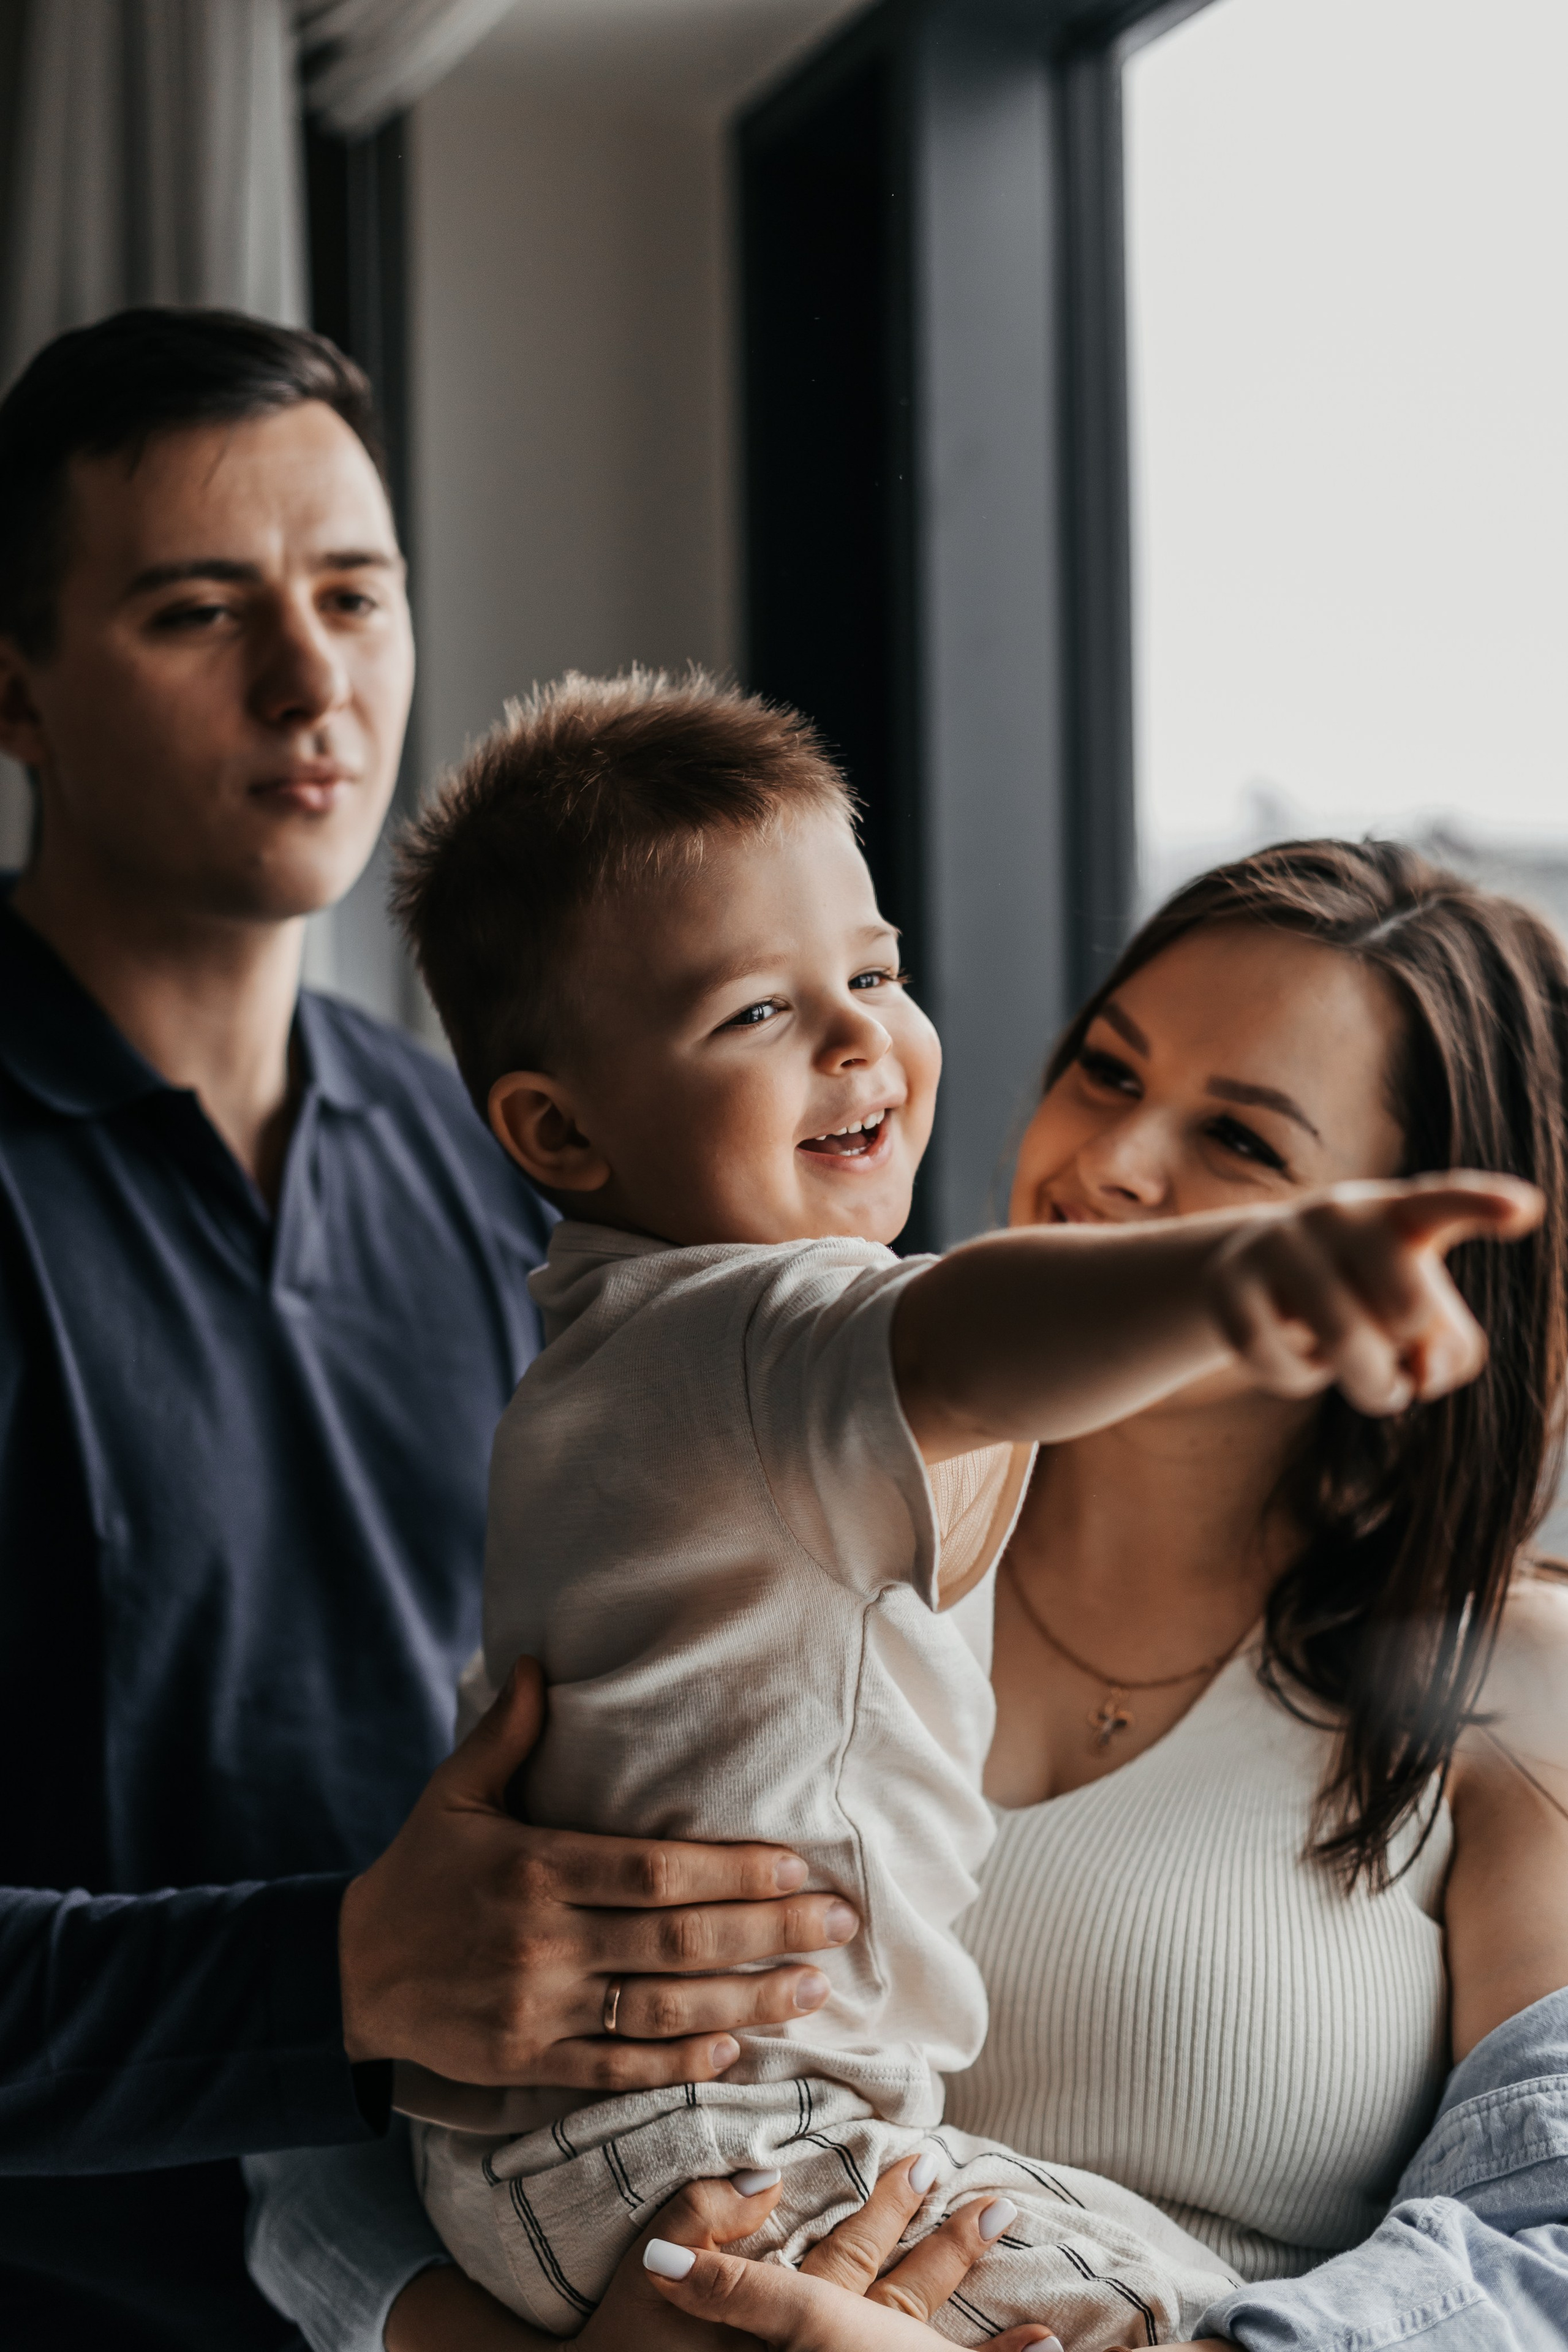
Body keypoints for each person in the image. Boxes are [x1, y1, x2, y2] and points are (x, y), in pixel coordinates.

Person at [249, 837, 1568, 2352]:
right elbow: (317, 2132)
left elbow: (1533, 2256)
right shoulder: (734, 1522)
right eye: (1107, 1072)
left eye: (1244, 1147)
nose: (1111, 1166)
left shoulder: (1501, 1695)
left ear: (1413, 1252)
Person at [0, 311, 861, 2352]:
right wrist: (344, 1981)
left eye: (357, 594)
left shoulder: (502, 1153)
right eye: (201, 612)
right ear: (14, 690)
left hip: (490, 2275)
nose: (317, 681)